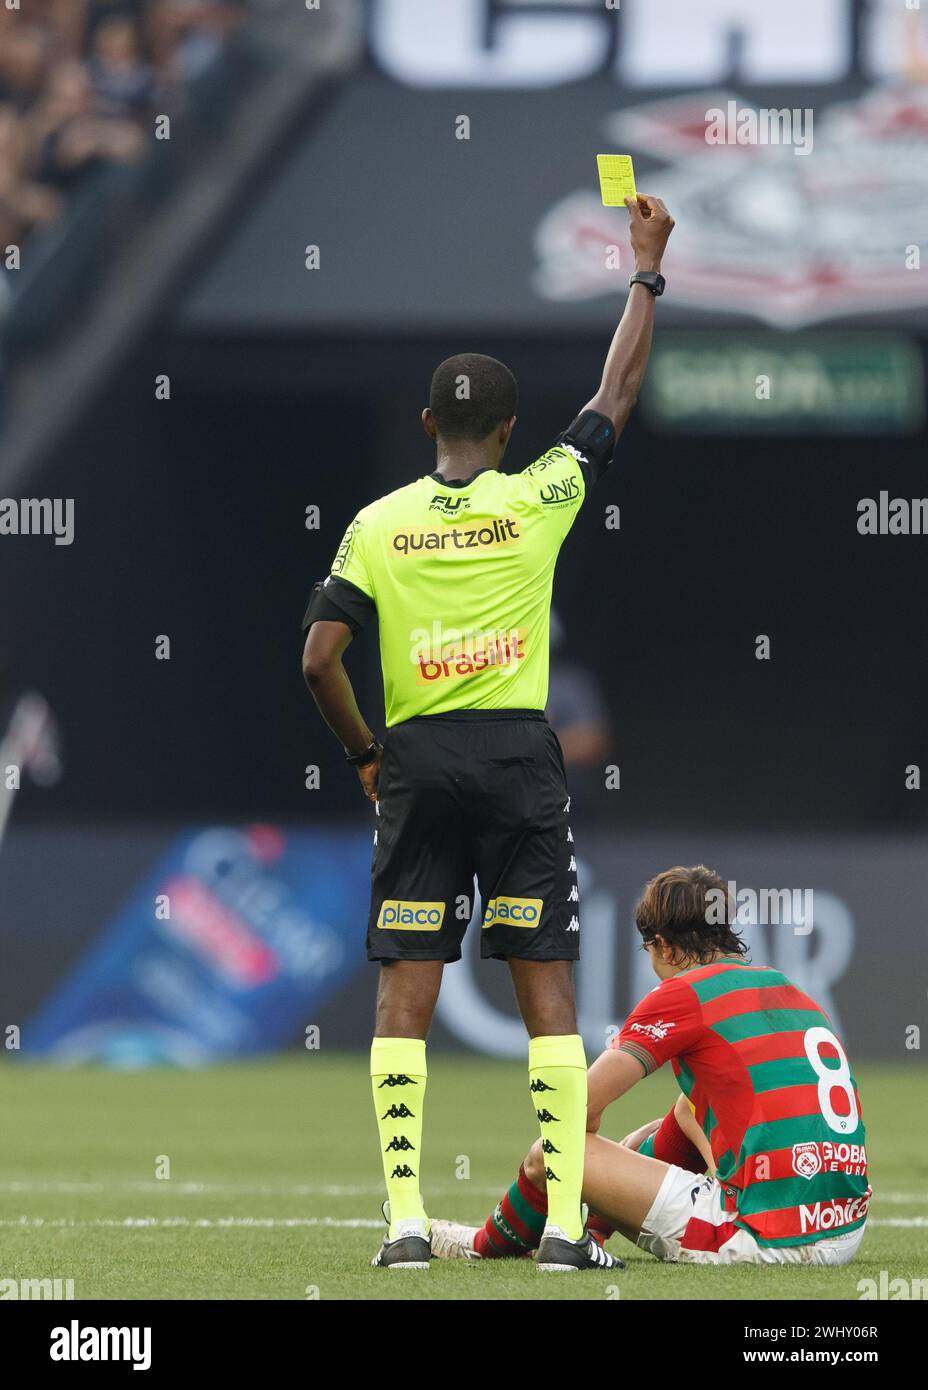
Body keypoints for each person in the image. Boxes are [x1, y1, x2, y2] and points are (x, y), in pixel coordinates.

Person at [301, 195, 675, 1272]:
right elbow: (615, 392)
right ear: (509, 432)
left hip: (415, 762)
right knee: (546, 995)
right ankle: (564, 1228)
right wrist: (643, 272)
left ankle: (409, 1222)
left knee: (403, 996)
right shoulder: (542, 494)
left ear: (429, 427)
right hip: (518, 756)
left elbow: (317, 659)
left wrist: (365, 754)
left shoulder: (378, 523)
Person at [432, 865, 871, 1268]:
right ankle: (593, 1235)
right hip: (845, 1229)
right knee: (685, 1110)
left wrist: (590, 1132)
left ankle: (482, 1244)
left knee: (552, 1152)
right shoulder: (793, 990)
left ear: (662, 944)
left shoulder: (685, 992)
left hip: (768, 1238)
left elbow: (571, 1111)